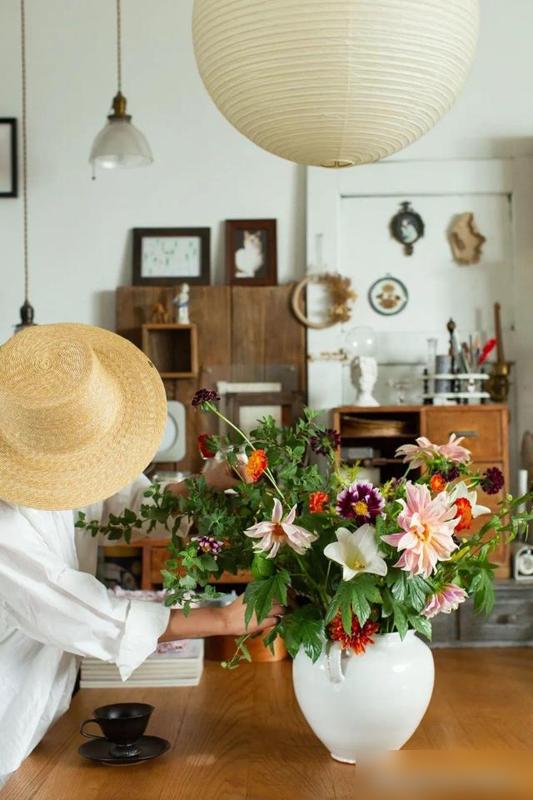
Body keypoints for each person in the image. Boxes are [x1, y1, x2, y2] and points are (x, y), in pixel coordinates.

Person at [0, 323, 283, 785]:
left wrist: (205, 486)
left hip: (46, 698)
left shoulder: (57, 454)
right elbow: (72, 608)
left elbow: (126, 503)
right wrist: (220, 622)